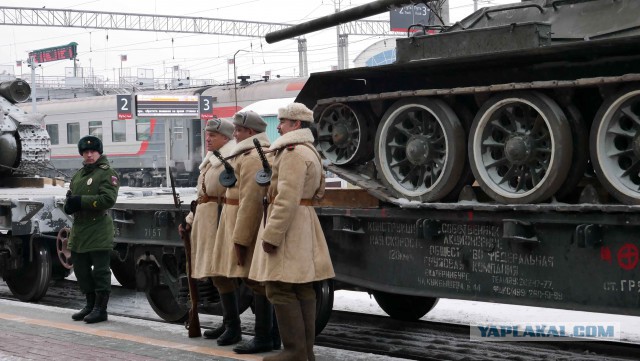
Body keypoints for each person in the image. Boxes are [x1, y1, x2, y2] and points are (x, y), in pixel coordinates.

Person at [249, 103, 335, 361]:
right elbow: (318, 193)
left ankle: (294, 352)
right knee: (302, 288)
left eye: (283, 122)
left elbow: (286, 198)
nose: (279, 126)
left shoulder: (293, 153)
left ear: (296, 125)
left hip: (289, 227)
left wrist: (271, 235)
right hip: (304, 221)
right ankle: (305, 352)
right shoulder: (309, 151)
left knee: (279, 288)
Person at [210, 110, 279, 352]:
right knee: (253, 279)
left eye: (238, 130)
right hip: (235, 219)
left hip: (242, 222)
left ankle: (264, 337)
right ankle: (268, 335)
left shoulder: (251, 158)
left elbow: (250, 202)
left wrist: (240, 240)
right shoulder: (248, 154)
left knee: (256, 281)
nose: (235, 134)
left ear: (250, 132)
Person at [177, 118, 235, 336]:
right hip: (207, 221)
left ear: (226, 138)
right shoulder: (212, 160)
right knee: (218, 275)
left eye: (213, 135)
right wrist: (189, 220)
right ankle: (229, 324)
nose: (207, 139)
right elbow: (203, 197)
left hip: (220, 222)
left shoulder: (230, 160)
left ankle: (232, 326)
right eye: (207, 134)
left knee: (222, 274)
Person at [64, 135, 120, 324]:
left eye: (92, 152)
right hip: (80, 229)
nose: (89, 155)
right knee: (80, 269)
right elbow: (71, 196)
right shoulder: (79, 174)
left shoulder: (106, 173)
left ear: (99, 153)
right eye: (86, 152)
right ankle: (89, 305)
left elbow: (108, 200)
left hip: (98, 228)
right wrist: (69, 205)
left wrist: (81, 201)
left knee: (101, 271)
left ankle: (100, 309)